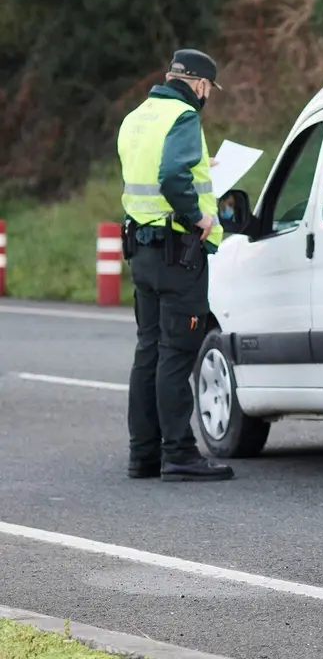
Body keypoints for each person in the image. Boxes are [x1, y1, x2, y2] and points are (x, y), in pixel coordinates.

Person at [118, 48, 234, 482]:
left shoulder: (137, 117)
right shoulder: (184, 117)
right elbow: (170, 176)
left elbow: (152, 171)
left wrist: (201, 164)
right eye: (209, 90)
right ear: (201, 85)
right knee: (176, 354)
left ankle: (142, 455)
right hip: (178, 252)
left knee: (147, 351)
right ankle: (180, 454)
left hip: (142, 250)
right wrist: (198, 216)